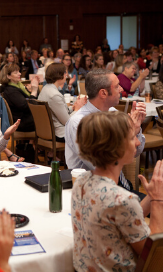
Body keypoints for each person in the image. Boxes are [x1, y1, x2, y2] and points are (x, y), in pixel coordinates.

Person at [72, 111, 163, 272]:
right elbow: (153, 253)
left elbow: (124, 219)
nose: (137, 143)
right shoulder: (122, 199)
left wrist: (151, 195)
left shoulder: (81, 182)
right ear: (116, 148)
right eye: (132, 138)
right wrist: (157, 201)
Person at [65, 69, 148, 200]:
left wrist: (136, 130)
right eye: (117, 86)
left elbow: (135, 152)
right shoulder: (79, 123)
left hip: (120, 186)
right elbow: (99, 164)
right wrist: (129, 131)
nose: (121, 89)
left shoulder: (113, 113)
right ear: (103, 93)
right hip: (95, 192)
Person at [38, 63, 86, 143]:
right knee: (90, 131)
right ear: (59, 75)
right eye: (65, 72)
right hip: (60, 133)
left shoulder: (45, 89)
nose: (66, 75)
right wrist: (77, 109)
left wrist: (73, 107)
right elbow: (68, 122)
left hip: (49, 130)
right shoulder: (54, 95)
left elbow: (57, 112)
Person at [0, 64, 38, 132]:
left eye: (19, 71)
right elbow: (28, 107)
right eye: (16, 72)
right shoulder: (11, 91)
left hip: (23, 118)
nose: (20, 74)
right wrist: (34, 91)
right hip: (22, 122)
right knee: (48, 119)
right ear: (8, 76)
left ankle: (32, 141)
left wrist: (30, 91)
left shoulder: (18, 86)